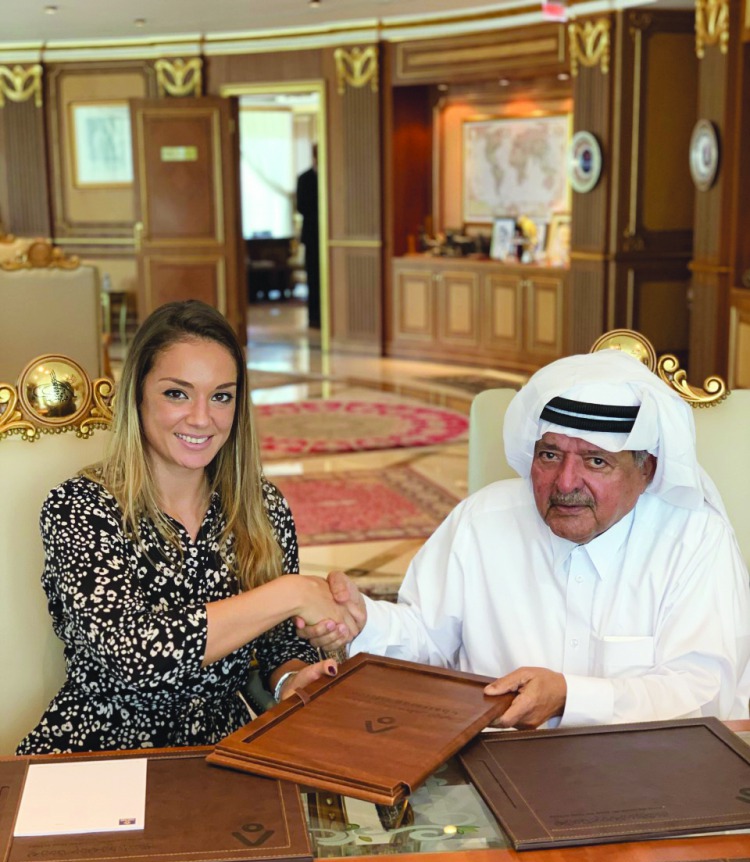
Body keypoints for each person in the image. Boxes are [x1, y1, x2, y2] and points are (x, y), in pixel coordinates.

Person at [299, 350, 750, 729]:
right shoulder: (484, 519)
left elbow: (703, 694)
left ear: (646, 470)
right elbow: (425, 635)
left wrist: (569, 697)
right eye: (549, 455)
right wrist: (364, 621)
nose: (564, 482)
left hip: (648, 776)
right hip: (490, 763)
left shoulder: (693, 539)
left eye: (595, 461)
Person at [17, 300, 353, 755]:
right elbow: (133, 655)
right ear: (137, 394)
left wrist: (296, 676)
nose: (202, 418)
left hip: (224, 749)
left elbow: (277, 648)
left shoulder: (261, 506)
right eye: (177, 393)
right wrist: (290, 593)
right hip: (99, 752)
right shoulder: (80, 506)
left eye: (221, 395)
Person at [296, 144, 320, 329]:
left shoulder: (331, 176)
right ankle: (314, 317)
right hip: (312, 237)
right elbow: (301, 207)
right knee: (313, 277)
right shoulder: (304, 178)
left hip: (328, 238)